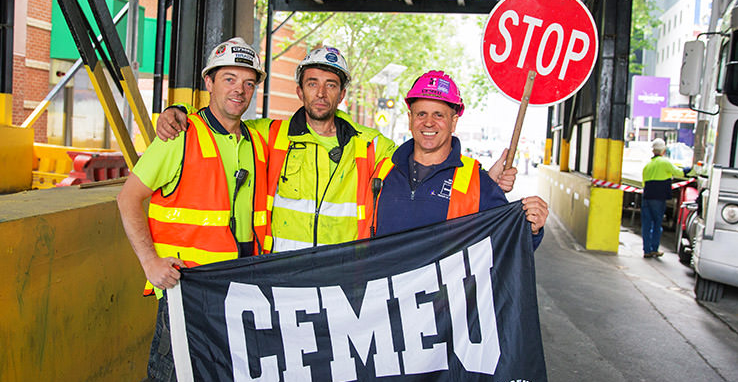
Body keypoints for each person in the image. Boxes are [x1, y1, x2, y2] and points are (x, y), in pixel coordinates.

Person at [156, 48, 518, 250]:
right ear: (299, 91)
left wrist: (482, 182)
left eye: (331, 84)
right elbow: (224, 121)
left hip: (340, 284)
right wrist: (180, 114)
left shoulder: (369, 144)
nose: (321, 92)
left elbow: (426, 156)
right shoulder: (267, 136)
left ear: (342, 94)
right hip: (280, 278)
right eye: (312, 83)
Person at [116, 37, 270, 382]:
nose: (240, 89)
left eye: (249, 83)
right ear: (209, 82)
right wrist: (150, 262)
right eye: (230, 79)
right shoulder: (179, 137)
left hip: (234, 291)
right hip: (185, 292)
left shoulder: (253, 140)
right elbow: (128, 199)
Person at [373, 70, 548, 247]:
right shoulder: (382, 172)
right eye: (421, 114)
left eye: (438, 115)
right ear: (410, 119)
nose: (428, 122)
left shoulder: (479, 184)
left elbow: (507, 247)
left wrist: (532, 230)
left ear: (454, 122)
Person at [641, 138, 688, 258]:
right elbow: (679, 173)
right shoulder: (664, 162)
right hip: (658, 198)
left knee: (646, 225)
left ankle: (646, 250)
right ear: (663, 150)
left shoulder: (648, 165)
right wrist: (690, 169)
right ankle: (654, 249)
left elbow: (643, 184)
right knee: (657, 224)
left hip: (646, 197)